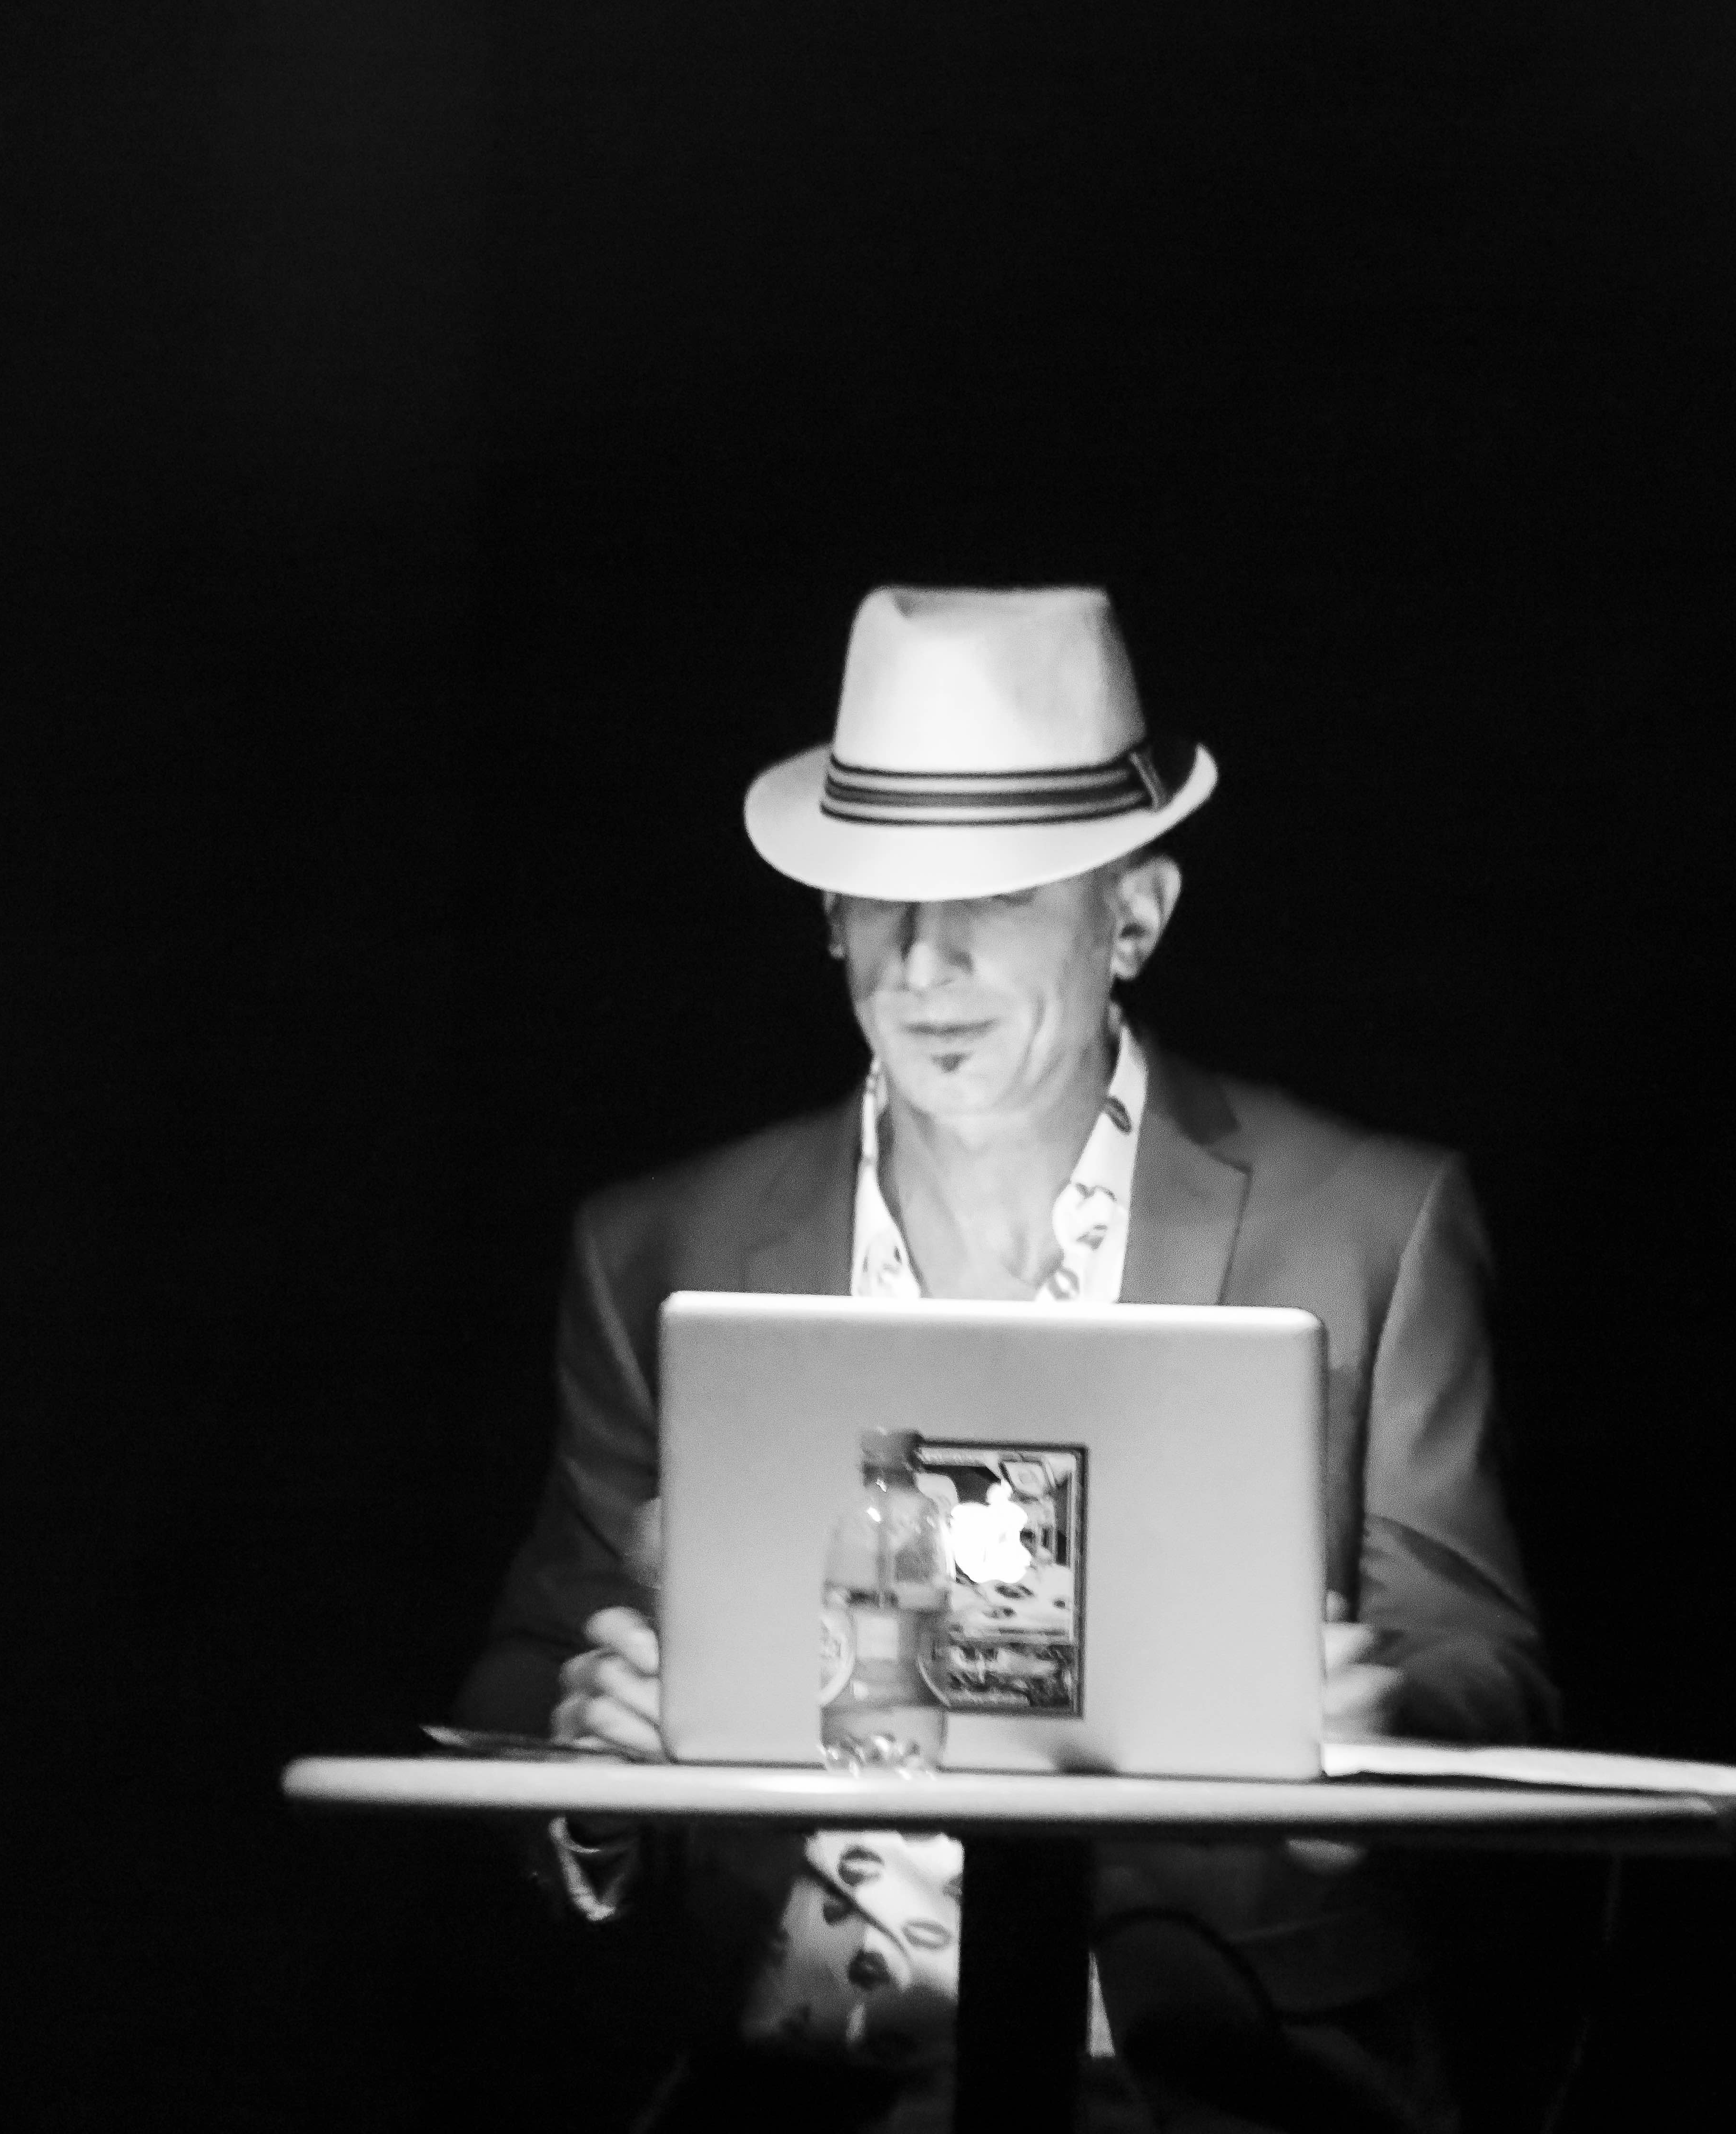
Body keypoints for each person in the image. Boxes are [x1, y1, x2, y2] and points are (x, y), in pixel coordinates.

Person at [456, 585, 1554, 2132]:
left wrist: (1380, 1733)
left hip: (1220, 2079)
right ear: (829, 917)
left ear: (1135, 919)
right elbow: (530, 1673)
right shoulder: (657, 1247)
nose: (925, 963)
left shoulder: (1369, 1225)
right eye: (882, 900)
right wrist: (592, 1780)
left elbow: (1482, 1661)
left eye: (999, 896)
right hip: (796, 2085)